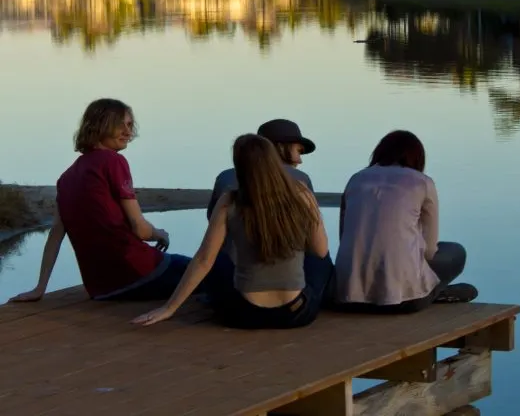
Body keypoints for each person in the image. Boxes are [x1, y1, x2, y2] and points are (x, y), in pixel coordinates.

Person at [7, 98, 228, 303]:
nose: (128, 132)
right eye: (120, 125)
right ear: (100, 125)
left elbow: (55, 235)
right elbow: (140, 229)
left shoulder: (66, 177)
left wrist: (40, 288)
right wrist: (160, 233)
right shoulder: (113, 162)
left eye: (130, 125)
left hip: (100, 288)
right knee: (217, 274)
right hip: (136, 272)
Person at [131, 133, 333, 329]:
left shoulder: (229, 201)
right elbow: (321, 250)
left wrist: (169, 308)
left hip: (244, 314)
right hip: (295, 314)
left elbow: (203, 261)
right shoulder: (302, 193)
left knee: (216, 258)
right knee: (319, 262)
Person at [332, 130, 478, 314]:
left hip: (347, 296)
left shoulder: (356, 179)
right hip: (403, 301)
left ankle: (430, 290)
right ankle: (433, 293)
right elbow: (430, 251)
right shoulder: (422, 182)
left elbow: (343, 236)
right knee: (455, 252)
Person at [206, 118, 314, 220]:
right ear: (280, 147)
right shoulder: (301, 179)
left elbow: (212, 221)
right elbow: (313, 227)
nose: (300, 160)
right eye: (299, 151)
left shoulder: (225, 178)